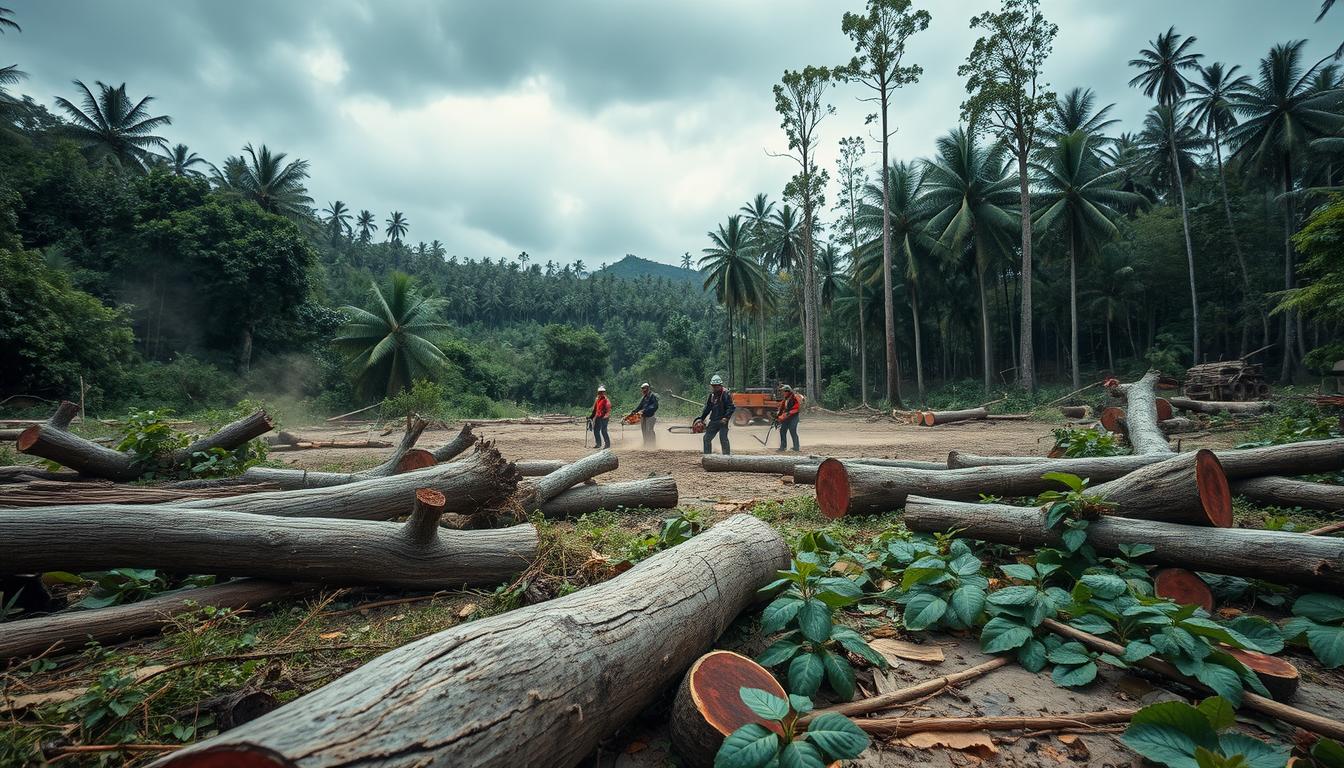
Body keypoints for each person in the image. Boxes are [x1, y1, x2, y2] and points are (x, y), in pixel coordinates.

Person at [697, 374, 735, 455]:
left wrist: (726, 417)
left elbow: (731, 407)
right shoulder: (712, 395)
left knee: (723, 438)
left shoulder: (725, 394)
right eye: (713, 386)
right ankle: (707, 457)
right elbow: (708, 408)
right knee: (706, 438)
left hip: (722, 421)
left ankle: (726, 458)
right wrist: (701, 419)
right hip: (714, 420)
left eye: (716, 386)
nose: (714, 388)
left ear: (720, 385)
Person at [629, 382, 659, 447]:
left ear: (647, 388)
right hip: (644, 416)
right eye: (642, 389)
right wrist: (634, 411)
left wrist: (644, 410)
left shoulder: (652, 396)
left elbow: (654, 406)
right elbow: (640, 406)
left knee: (649, 431)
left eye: (644, 388)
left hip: (650, 416)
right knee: (644, 431)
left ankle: (652, 444)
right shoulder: (644, 397)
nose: (642, 390)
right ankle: (646, 444)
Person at [775, 384, 801, 452]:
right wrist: (777, 417)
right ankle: (783, 447)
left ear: (788, 391)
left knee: (792, 430)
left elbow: (796, 408)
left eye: (783, 391)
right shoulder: (785, 399)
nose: (782, 393)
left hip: (794, 417)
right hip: (787, 417)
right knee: (782, 430)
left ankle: (796, 447)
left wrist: (787, 414)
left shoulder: (794, 397)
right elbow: (782, 409)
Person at [589, 385, 611, 449]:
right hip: (598, 416)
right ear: (598, 393)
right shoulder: (597, 400)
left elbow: (608, 409)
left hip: (604, 417)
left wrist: (606, 416)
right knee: (596, 430)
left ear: (604, 392)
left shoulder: (606, 400)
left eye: (602, 392)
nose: (601, 393)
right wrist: (591, 416)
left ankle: (607, 444)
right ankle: (598, 444)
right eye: (600, 392)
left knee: (604, 431)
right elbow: (595, 410)